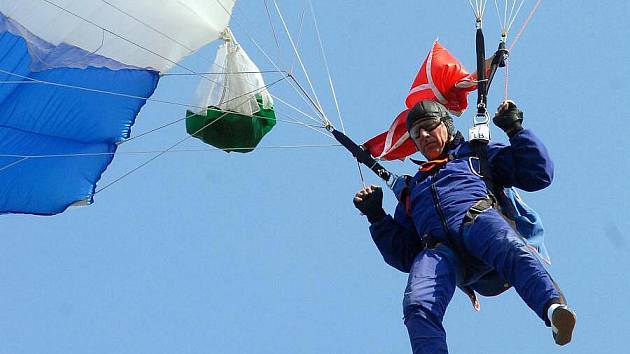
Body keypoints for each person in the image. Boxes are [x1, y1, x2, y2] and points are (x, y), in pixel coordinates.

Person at [353, 100, 576, 354]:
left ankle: (553, 309)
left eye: (428, 127)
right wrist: (377, 217)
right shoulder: (412, 190)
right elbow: (404, 256)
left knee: (510, 248)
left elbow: (538, 173)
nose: (423, 136)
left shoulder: (475, 155)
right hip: (439, 254)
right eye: (417, 135)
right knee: (416, 303)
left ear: (446, 126)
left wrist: (515, 129)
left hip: (476, 223)